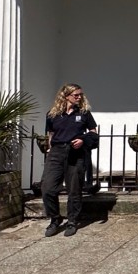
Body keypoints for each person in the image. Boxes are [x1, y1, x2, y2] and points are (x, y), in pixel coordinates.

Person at [41, 83, 98, 238]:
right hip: (57, 152)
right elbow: (51, 134)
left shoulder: (84, 113)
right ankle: (55, 219)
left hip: (75, 152)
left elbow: (93, 133)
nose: (79, 97)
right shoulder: (52, 114)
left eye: (80, 95)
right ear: (66, 96)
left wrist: (83, 140)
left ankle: (72, 221)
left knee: (74, 189)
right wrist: (50, 149)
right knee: (47, 188)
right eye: (75, 95)